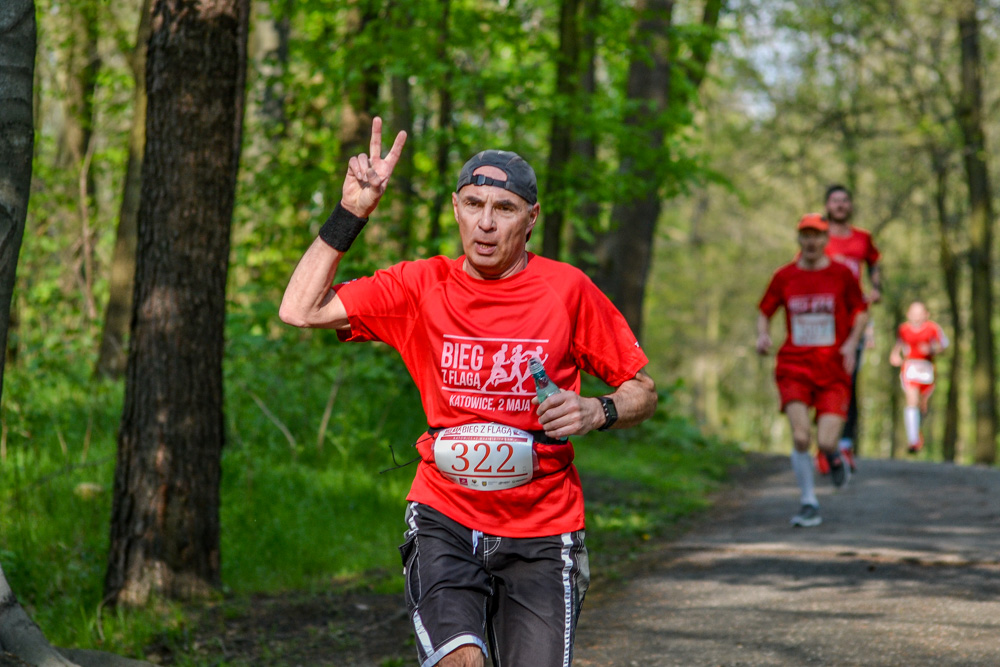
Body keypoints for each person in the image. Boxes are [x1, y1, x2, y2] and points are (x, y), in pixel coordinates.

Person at [279, 117, 658, 667]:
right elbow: (299, 309)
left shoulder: (568, 290)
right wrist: (352, 212)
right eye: (474, 204)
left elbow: (642, 391)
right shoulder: (419, 285)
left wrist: (596, 409)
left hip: (543, 531)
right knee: (462, 660)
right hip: (444, 518)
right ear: (456, 209)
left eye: (503, 209)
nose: (485, 223)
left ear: (531, 219)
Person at [756, 213, 869, 527]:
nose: (811, 241)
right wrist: (762, 334)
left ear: (825, 240)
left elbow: (860, 311)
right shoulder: (784, 276)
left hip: (833, 368)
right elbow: (765, 310)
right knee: (802, 436)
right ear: (798, 239)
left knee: (828, 441)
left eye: (817, 235)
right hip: (794, 365)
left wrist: (850, 344)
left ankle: (833, 456)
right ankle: (808, 502)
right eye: (805, 235)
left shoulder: (842, 275)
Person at [821, 184, 881, 472]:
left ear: (851, 206)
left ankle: (845, 447)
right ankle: (824, 446)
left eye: (845, 200)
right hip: (821, 320)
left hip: (854, 319)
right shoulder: (818, 237)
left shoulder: (863, 238)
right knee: (818, 381)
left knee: (848, 380)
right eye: (835, 201)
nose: (840, 205)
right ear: (828, 205)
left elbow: (875, 264)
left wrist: (876, 288)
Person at [889, 301, 949, 453]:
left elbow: (943, 346)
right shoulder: (903, 329)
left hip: (927, 369)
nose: (916, 316)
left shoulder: (933, 329)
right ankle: (913, 439)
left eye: (919, 313)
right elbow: (899, 345)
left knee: (922, 406)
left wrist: (931, 349)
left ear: (926, 314)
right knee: (911, 400)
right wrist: (895, 355)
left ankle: (917, 431)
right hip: (910, 368)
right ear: (908, 314)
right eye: (913, 313)